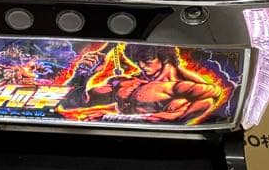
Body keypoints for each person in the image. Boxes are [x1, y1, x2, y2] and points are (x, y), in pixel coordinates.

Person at [72, 45, 229, 124]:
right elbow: (74, 103)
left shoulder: (179, 89)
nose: (141, 66)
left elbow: (171, 119)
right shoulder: (124, 82)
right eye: (137, 62)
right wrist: (83, 75)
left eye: (146, 61)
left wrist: (109, 118)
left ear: (164, 58)